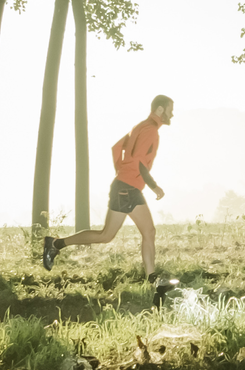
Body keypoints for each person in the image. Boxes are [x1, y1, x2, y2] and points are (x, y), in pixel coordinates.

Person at [43, 95, 174, 279]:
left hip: (127, 186)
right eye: (170, 109)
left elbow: (116, 148)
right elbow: (138, 161)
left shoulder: (140, 127)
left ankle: (152, 278)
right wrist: (153, 186)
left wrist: (122, 171)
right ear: (160, 110)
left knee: (139, 232)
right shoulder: (150, 130)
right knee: (109, 235)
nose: (172, 114)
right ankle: (55, 244)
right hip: (127, 188)